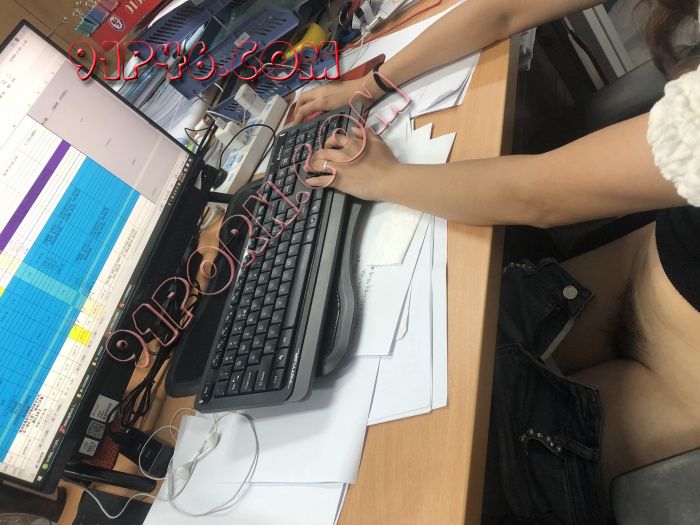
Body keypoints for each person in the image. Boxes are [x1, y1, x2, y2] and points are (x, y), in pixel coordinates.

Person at [294, 0, 700, 523]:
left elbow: (543, 196)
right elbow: (505, 9)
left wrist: (385, 179)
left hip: (678, 388)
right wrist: (370, 85)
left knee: (440, 479)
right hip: (648, 265)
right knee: (432, 360)